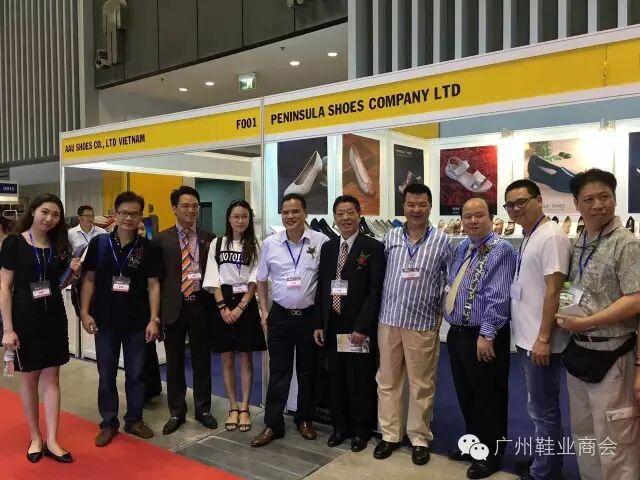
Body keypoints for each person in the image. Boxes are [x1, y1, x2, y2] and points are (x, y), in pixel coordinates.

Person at [555, 169, 640, 480]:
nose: (598, 205)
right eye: (589, 199)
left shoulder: (625, 243)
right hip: (580, 351)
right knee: (585, 433)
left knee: (616, 437)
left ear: (615, 199)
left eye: (605, 197)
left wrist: (588, 321)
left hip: (613, 353)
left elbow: (636, 299)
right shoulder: (581, 241)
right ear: (576, 204)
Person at [374, 183, 452, 466]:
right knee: (388, 381)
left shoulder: (443, 241)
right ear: (403, 206)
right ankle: (390, 434)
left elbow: (449, 282)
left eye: (421, 204)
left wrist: (441, 312)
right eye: (411, 204)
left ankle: (419, 437)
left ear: (430, 207)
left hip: (422, 322)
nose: (416, 209)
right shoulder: (391, 237)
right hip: (389, 320)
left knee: (421, 384)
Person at [1, 194, 81, 464]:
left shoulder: (59, 245)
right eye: (45, 212)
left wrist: (73, 272)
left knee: (52, 378)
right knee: (29, 378)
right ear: (34, 211)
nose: (49, 219)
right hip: (25, 317)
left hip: (54, 317)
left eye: (55, 214)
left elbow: (59, 283)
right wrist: (8, 329)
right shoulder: (14, 242)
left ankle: (53, 440)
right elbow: (4, 287)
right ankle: (35, 437)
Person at [80, 191, 161, 447]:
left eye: (134, 214)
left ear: (141, 217)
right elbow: (89, 279)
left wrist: (154, 319)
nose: (128, 218)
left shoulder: (148, 248)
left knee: (136, 374)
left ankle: (134, 419)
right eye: (124, 213)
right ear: (114, 214)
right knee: (106, 374)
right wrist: (84, 312)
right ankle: (108, 422)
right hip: (105, 321)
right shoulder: (100, 244)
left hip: (137, 322)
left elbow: (154, 285)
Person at [443, 198, 515, 479]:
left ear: (491, 218)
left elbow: (498, 296)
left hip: (484, 335)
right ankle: (473, 444)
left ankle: (491, 454)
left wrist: (487, 333)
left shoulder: (501, 250)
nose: (472, 221)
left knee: (489, 397)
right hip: (459, 333)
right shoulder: (463, 246)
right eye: (467, 216)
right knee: (467, 394)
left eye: (479, 215)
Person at [251, 193, 329, 447]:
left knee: (308, 371)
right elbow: (261, 279)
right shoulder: (270, 243)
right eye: (285, 212)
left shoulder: (321, 241)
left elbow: (325, 283)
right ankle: (273, 423)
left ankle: (304, 419)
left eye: (295, 211)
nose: (290, 216)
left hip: (309, 318)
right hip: (280, 316)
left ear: (305, 213)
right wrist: (264, 311)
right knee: (278, 371)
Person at [505, 179, 570, 480]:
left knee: (544, 410)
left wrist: (543, 338)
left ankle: (546, 473)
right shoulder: (531, 234)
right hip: (528, 338)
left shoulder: (552, 236)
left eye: (522, 202)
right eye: (510, 205)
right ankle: (544, 461)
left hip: (541, 341)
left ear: (539, 200)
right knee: (537, 407)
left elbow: (554, 291)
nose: (516, 209)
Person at [313, 195, 385, 452]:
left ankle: (361, 430)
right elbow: (322, 288)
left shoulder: (372, 247)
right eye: (340, 214)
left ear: (359, 215)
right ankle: (340, 427)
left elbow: (375, 291)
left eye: (350, 213)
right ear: (335, 217)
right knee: (336, 379)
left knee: (360, 380)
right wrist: (319, 323)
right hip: (332, 324)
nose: (345, 218)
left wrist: (362, 327)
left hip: (357, 328)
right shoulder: (329, 248)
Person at [153, 186, 217, 434]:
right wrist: (156, 315)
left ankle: (203, 409)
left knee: (202, 360)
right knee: (175, 362)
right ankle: (176, 411)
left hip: (201, 305)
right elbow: (156, 280)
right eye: (185, 206)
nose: (191, 210)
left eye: (194, 206)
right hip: (173, 308)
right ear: (174, 208)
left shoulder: (209, 238)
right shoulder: (161, 240)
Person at [203, 199, 266, 433]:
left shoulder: (256, 245)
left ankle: (245, 407)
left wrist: (241, 307)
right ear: (229, 219)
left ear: (249, 219)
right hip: (222, 301)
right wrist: (223, 308)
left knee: (246, 358)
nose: (240, 221)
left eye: (244, 216)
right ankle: (232, 406)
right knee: (226, 358)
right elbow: (213, 278)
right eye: (236, 216)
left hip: (245, 303)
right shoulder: (217, 243)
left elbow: (255, 279)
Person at [67, 206, 107, 318]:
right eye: (87, 216)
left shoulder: (102, 233)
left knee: (97, 299)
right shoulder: (71, 233)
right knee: (79, 299)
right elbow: (68, 254)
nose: (90, 218)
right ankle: (82, 316)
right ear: (79, 217)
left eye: (92, 215)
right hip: (79, 271)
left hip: (97, 271)